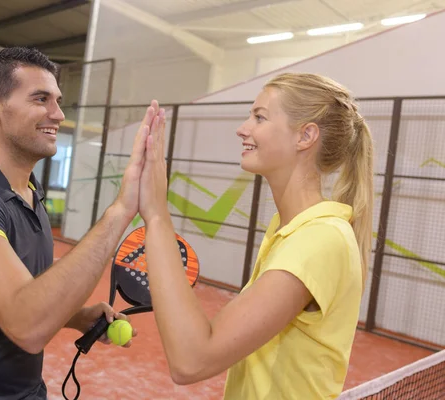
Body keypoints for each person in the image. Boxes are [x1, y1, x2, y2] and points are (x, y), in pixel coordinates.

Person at [0, 47, 159, 399]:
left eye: (58, 100)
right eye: (41, 99)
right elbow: (27, 323)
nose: (58, 114)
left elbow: (28, 296)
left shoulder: (29, 193)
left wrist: (77, 316)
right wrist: (122, 209)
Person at [138, 72, 374, 399]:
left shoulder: (320, 240)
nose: (242, 128)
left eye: (259, 117)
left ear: (305, 136)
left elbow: (192, 359)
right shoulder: (291, 230)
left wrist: (156, 214)